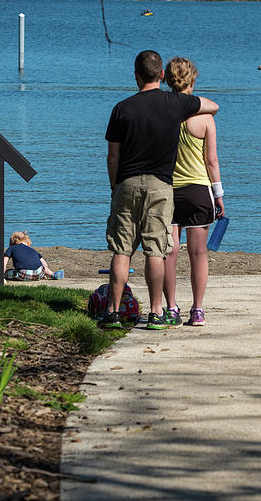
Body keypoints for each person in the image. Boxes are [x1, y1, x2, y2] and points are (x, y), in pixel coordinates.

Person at [103, 50, 219, 330]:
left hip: (127, 183)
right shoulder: (175, 104)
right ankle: (157, 311)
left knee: (122, 250)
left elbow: (113, 157)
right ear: (162, 75)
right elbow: (213, 106)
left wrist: (114, 185)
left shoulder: (122, 108)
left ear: (135, 75)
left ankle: (112, 312)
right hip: (161, 186)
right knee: (156, 251)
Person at [161, 57, 225, 327]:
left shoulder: (162, 112)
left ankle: (171, 307)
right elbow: (211, 161)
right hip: (199, 190)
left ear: (166, 80)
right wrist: (219, 194)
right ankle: (197, 310)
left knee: (169, 252)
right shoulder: (206, 118)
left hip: (168, 191)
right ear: (193, 80)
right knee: (198, 254)